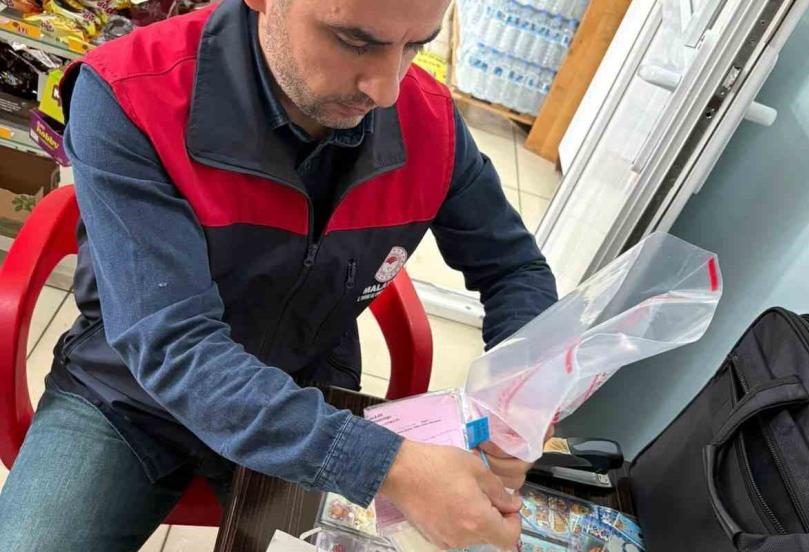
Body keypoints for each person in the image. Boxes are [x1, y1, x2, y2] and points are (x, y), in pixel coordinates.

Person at [0, 0, 558, 549]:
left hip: (305, 387)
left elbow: (514, 268)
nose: (387, 90)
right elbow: (173, 345)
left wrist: (520, 394)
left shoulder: (429, 121)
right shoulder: (131, 92)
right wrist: (386, 465)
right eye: (355, 41)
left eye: (416, 45)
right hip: (127, 396)